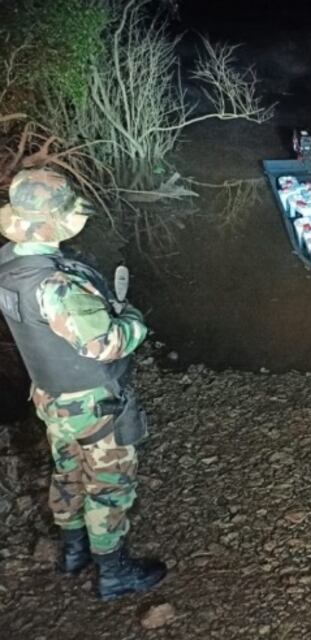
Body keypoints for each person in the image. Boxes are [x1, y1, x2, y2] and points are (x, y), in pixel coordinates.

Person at [0, 168, 166, 601]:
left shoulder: (9, 264)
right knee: (108, 486)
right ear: (54, 222)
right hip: (92, 405)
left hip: (50, 397)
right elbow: (105, 344)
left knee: (68, 472)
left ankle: (73, 552)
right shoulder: (56, 285)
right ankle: (114, 572)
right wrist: (132, 321)